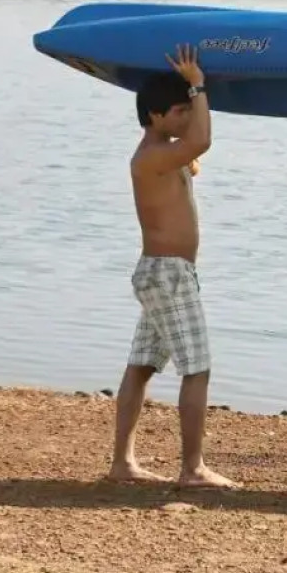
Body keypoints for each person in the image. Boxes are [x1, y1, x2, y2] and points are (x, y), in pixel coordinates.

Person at [107, 44, 237, 489]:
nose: (186, 119)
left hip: (162, 274)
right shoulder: (150, 156)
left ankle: (122, 463)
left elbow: (194, 154)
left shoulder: (163, 152)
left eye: (188, 111)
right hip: (169, 275)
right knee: (197, 368)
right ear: (157, 116)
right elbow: (200, 140)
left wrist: (197, 90)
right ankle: (192, 468)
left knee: (141, 366)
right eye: (179, 112)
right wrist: (198, 84)